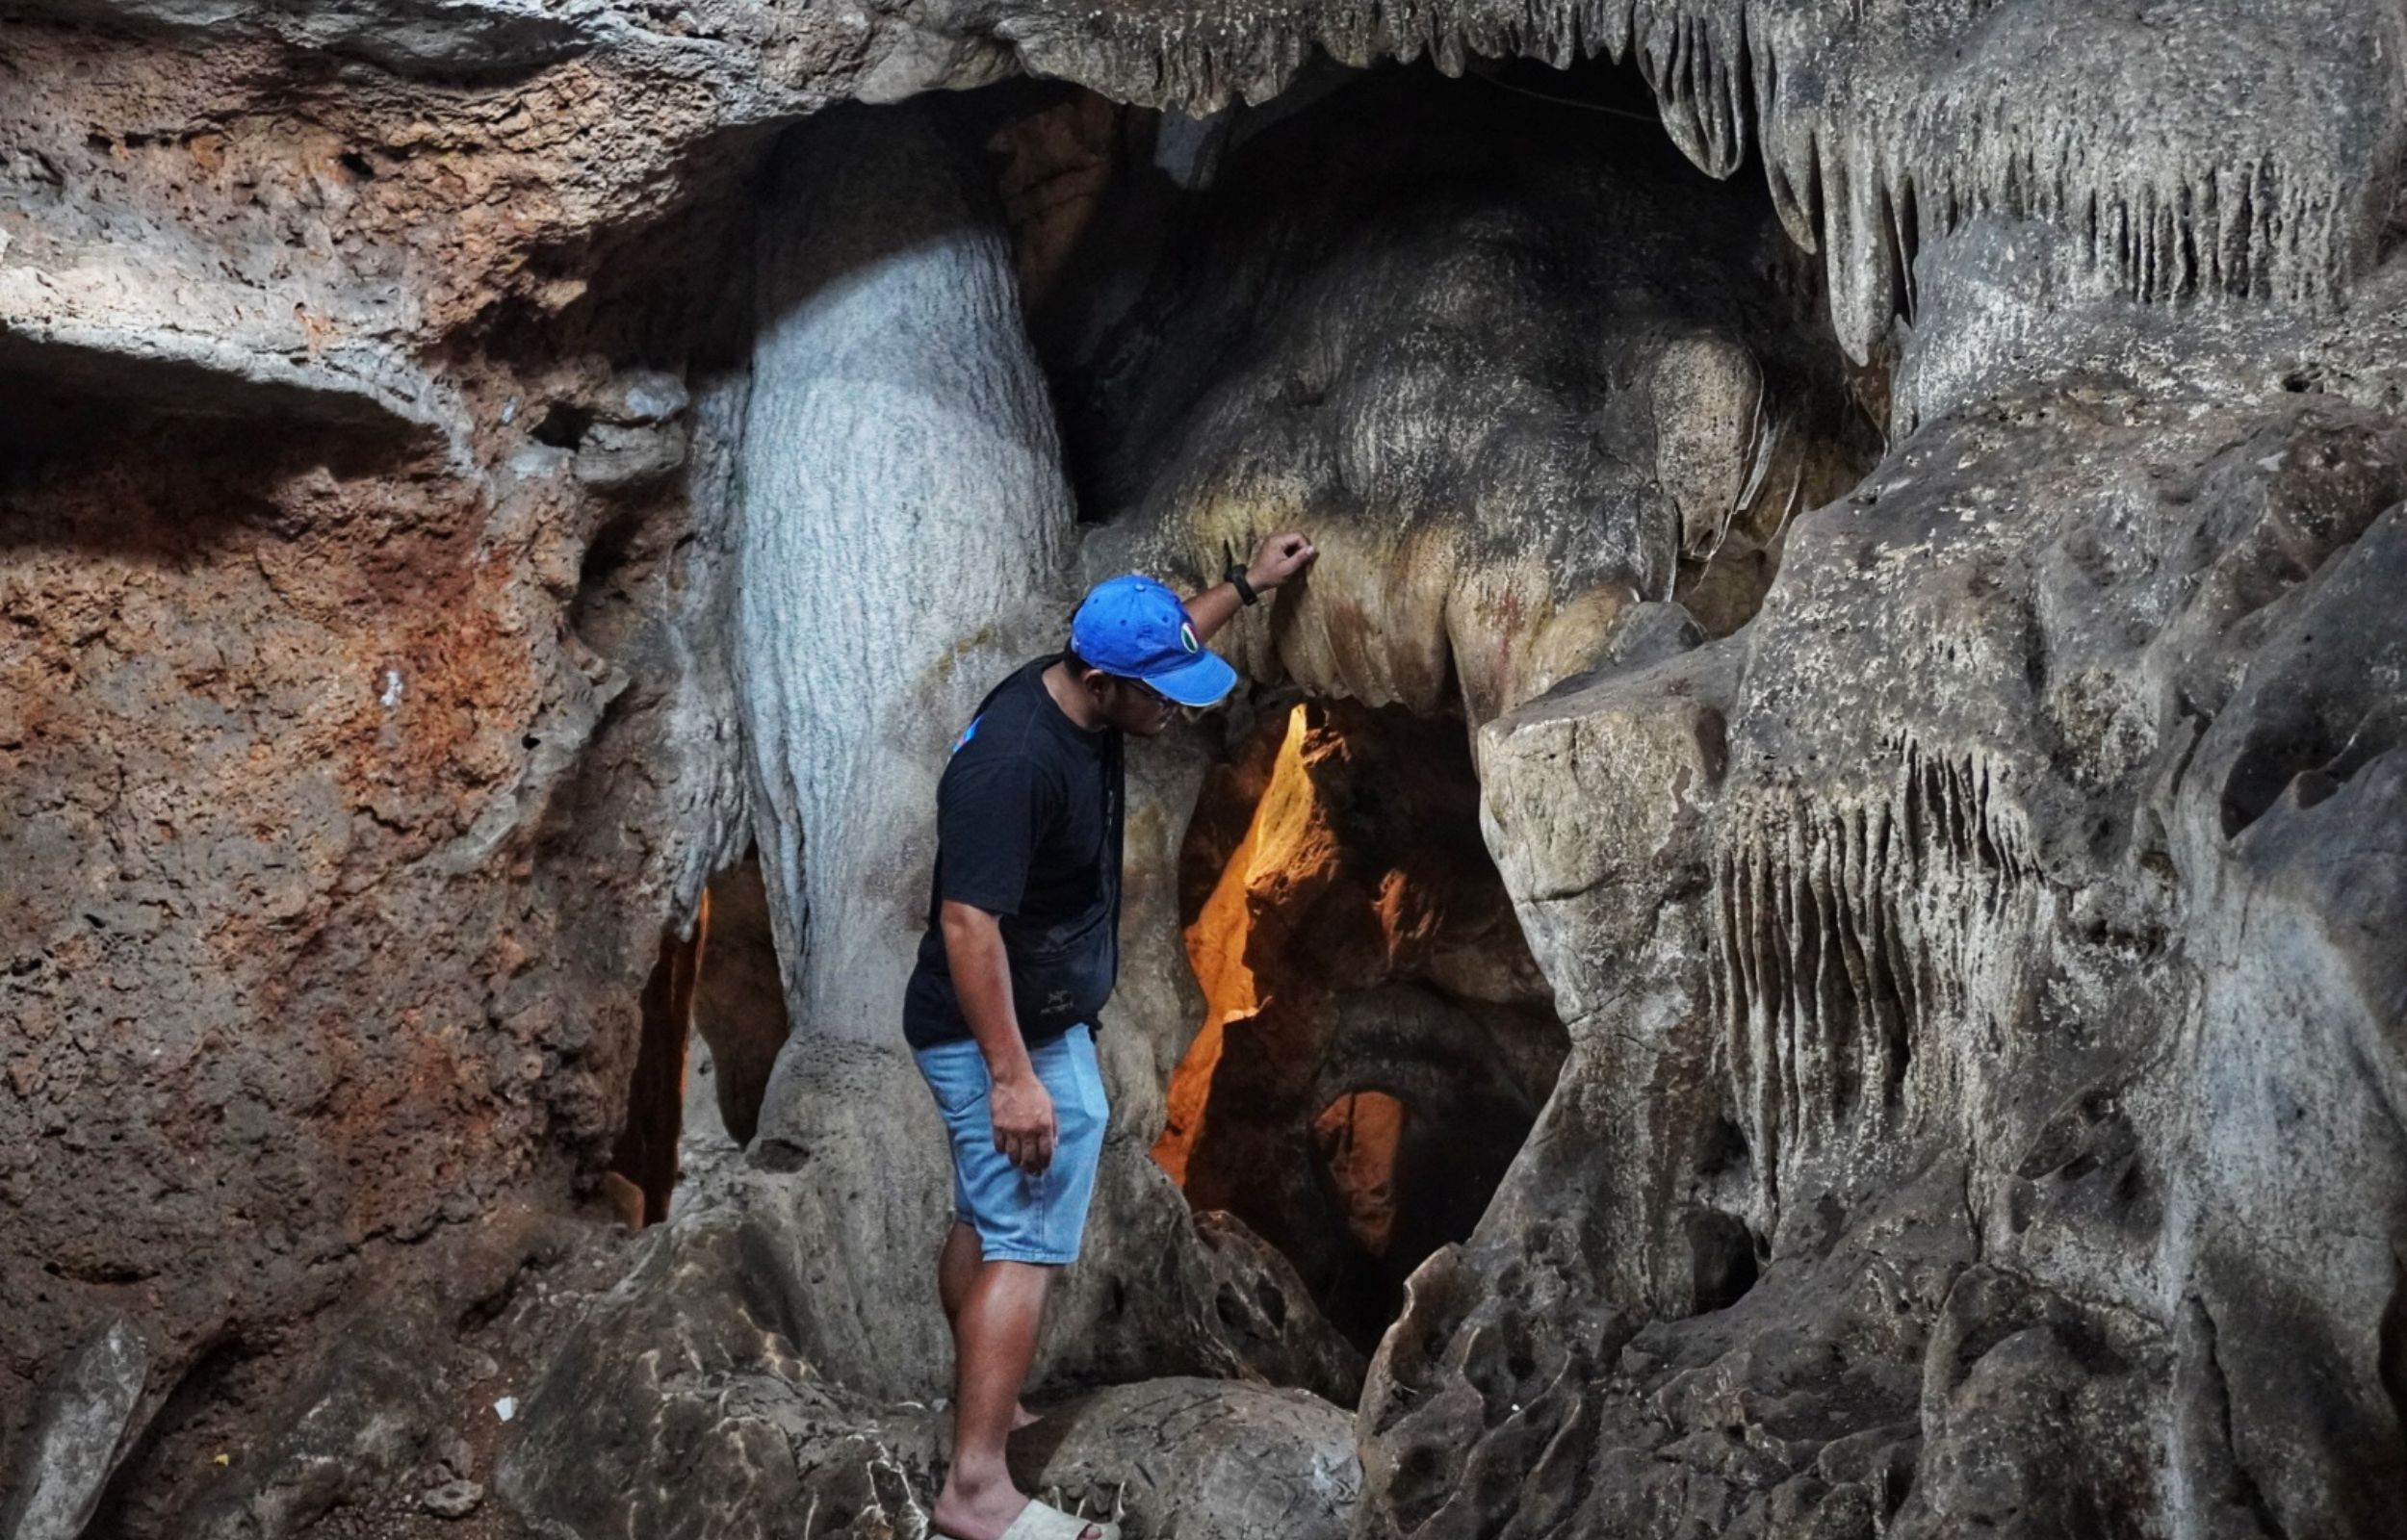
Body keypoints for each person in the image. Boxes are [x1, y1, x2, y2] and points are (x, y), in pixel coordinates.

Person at [908, 533, 1317, 1540]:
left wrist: (1241, 589)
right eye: (1160, 690)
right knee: (1023, 1234)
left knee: (987, 1212)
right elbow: (968, 924)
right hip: (993, 1032)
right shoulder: (1010, 766)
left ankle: (986, 1407)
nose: (1176, 706)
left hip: (1042, 1019)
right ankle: (975, 1491)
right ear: (1101, 682)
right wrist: (1011, 1078)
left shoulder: (1083, 686)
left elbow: (1157, 638)